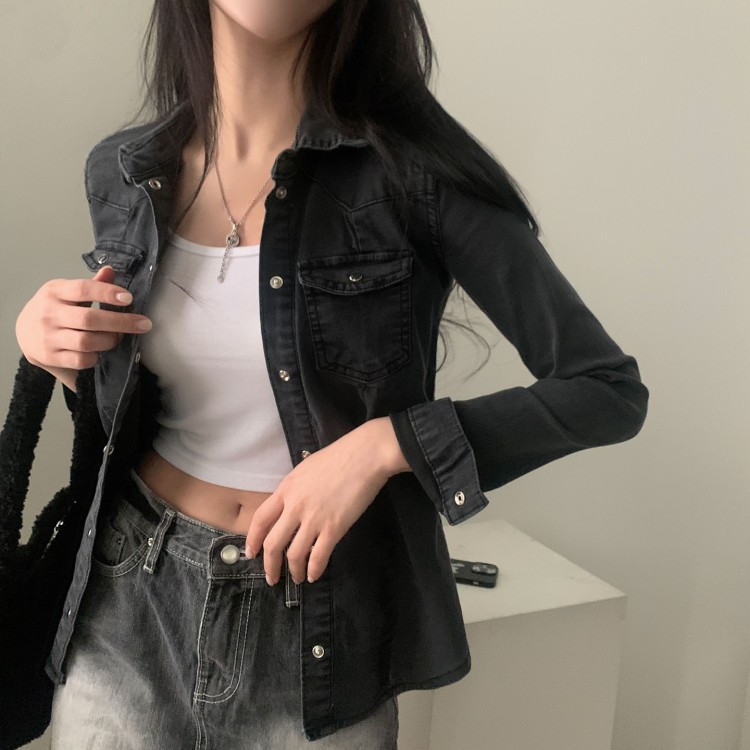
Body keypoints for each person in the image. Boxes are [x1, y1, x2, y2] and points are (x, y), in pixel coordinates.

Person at [13, 0, 649, 747]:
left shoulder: (414, 176)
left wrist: (386, 446)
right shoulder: (124, 170)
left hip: (315, 630)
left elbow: (606, 390)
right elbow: (148, 408)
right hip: (129, 599)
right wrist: (55, 348)